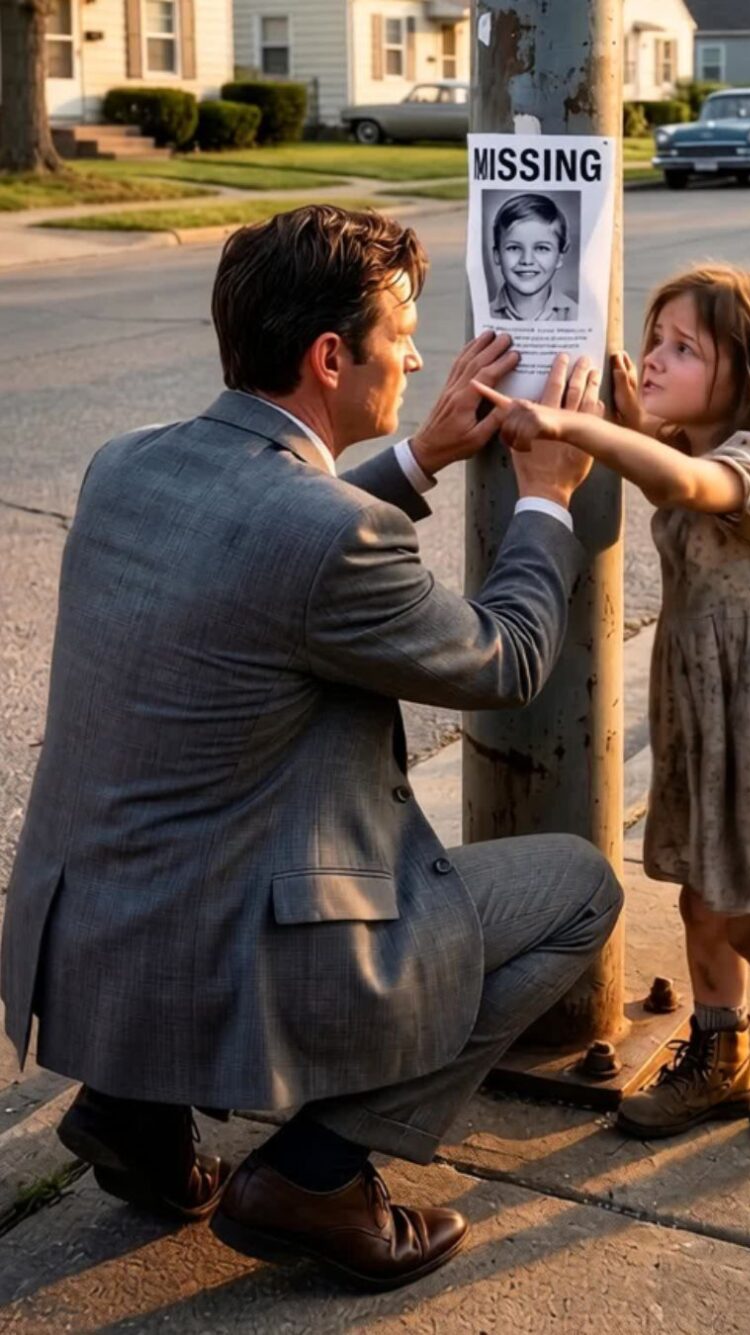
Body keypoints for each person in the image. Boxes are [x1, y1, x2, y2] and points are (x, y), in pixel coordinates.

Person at [0, 204, 622, 1289]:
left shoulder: (126, 463)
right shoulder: (328, 535)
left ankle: (136, 1115)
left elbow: (268, 547)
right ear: (332, 357)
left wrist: (421, 454)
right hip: (226, 941)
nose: (423, 353)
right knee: (576, 888)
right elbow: (505, 660)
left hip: (94, 937)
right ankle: (316, 1176)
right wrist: (546, 503)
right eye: (405, 333)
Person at [476, 263, 750, 1143]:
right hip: (713, 710)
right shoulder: (707, 451)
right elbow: (676, 477)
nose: (654, 357)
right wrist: (635, 428)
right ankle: (720, 1053)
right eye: (655, 339)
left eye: (682, 348)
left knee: (747, 908)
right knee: (703, 899)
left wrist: (568, 424)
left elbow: (687, 489)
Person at [489, 193, 578, 323]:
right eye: (514, 248)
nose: (527, 260)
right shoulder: (484, 315)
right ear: (497, 255)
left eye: (542, 248)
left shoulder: (575, 315)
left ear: (559, 257)